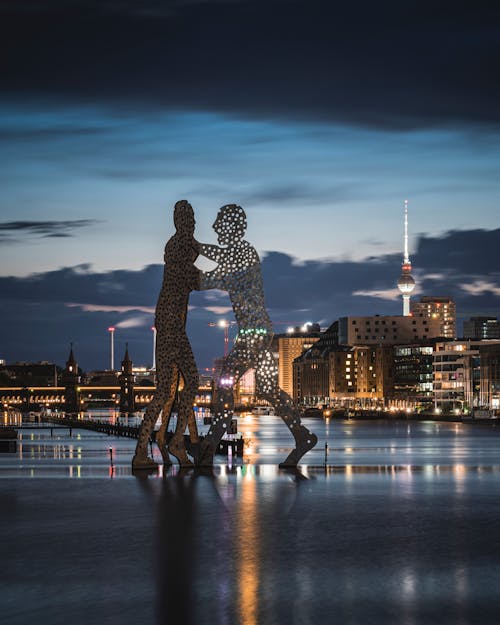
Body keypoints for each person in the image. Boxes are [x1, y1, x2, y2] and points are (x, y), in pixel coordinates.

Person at [197, 204, 317, 467]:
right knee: (268, 390)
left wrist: (188, 267)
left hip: (253, 334)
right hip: (262, 331)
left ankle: (209, 444)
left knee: (226, 383)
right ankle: (303, 436)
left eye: (220, 222)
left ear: (232, 227)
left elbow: (209, 279)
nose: (216, 227)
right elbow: (219, 255)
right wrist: (196, 246)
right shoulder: (240, 252)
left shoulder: (242, 254)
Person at [132, 200, 200, 469]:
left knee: (166, 392)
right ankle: (176, 442)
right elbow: (196, 280)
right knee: (191, 381)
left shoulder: (178, 246)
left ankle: (148, 448)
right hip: (172, 326)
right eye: (187, 217)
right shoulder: (181, 246)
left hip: (168, 324)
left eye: (193, 216)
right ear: (178, 221)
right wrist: (232, 279)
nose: (192, 222)